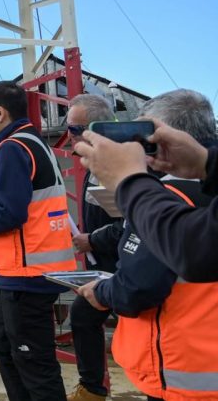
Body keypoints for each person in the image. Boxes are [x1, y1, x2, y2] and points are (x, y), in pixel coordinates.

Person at [76, 89, 218, 400]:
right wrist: (207, 162)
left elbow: (139, 288)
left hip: (186, 377)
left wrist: (130, 181)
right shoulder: (206, 189)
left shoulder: (165, 199)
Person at [0, 81, 76, 401]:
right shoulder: (33, 142)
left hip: (27, 273)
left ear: (0, 112)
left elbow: (10, 213)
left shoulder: (13, 147)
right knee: (4, 346)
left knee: (34, 363)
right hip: (28, 270)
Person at [74, 89, 218, 282]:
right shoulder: (198, 176)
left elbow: (192, 253)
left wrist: (129, 181)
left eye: (146, 136)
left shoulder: (171, 191)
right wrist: (205, 162)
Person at [65, 94, 122, 401]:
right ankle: (92, 389)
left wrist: (92, 240)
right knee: (84, 316)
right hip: (101, 266)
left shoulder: (121, 165)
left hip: (128, 266)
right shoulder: (93, 167)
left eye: (74, 129)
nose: (69, 135)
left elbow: (133, 224)